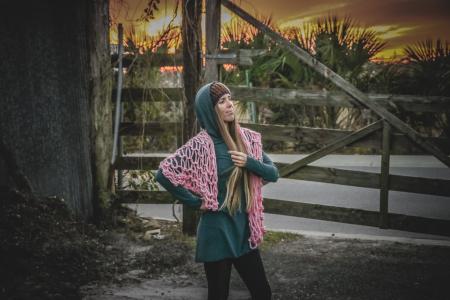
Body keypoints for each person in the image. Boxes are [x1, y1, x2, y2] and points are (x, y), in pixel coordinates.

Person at [155, 81, 279, 300]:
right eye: (222, 101)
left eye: (229, 99)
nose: (230, 105)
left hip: (243, 231)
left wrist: (249, 162)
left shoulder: (247, 139)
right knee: (218, 295)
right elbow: (164, 174)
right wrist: (194, 202)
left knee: (262, 292)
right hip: (216, 232)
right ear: (210, 110)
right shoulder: (201, 145)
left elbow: (273, 174)